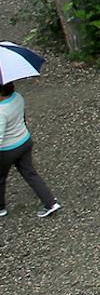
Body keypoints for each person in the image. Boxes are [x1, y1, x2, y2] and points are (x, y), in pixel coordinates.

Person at [0, 79, 59, 219]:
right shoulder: (18, 97)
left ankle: (1, 208)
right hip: (24, 142)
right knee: (30, 173)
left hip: (7, 150)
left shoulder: (1, 112)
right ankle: (50, 203)